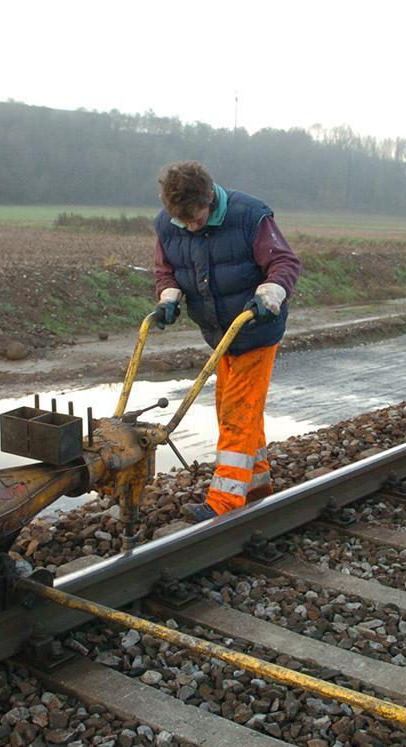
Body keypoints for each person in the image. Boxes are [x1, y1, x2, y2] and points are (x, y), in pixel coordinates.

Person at [152, 161, 302, 522]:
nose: (190, 226)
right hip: (220, 335)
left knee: (237, 412)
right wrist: (168, 296)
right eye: (182, 221)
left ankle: (225, 501)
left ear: (209, 198)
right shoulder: (167, 224)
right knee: (236, 409)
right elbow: (165, 269)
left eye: (196, 219)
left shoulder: (249, 215)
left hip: (256, 328)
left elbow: (285, 262)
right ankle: (256, 485)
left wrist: (270, 293)